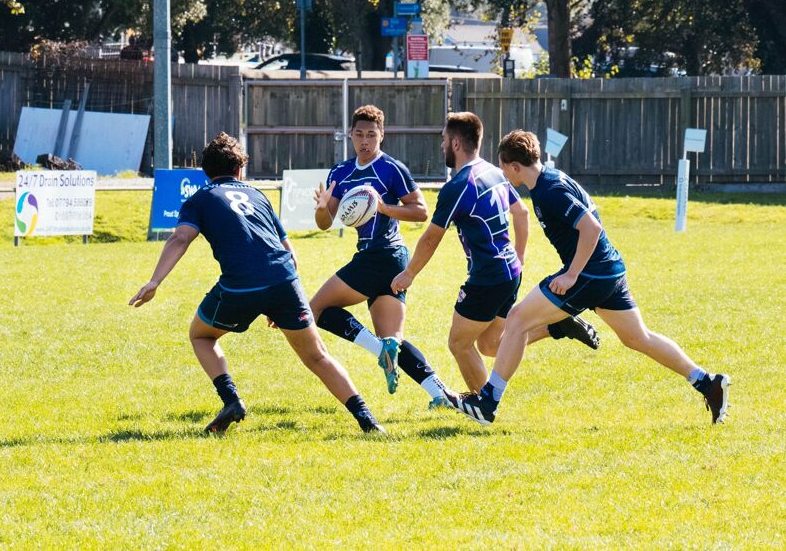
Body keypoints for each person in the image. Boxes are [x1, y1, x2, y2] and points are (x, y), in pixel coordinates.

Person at [448, 129, 731, 425]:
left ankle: (488, 401)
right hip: (609, 271)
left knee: (517, 319)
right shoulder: (551, 180)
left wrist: (572, 274)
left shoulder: (550, 190)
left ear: (515, 166)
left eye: (504, 167)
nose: (504, 174)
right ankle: (707, 382)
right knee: (637, 337)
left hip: (589, 274)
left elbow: (591, 228)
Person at [130, 132, 385, 434]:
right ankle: (368, 422)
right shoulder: (258, 195)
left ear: (205, 171)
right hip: (284, 280)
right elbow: (291, 254)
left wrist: (155, 281)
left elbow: (180, 238)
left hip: (240, 286)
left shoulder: (199, 199)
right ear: (240, 169)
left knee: (201, 335)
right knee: (317, 357)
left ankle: (231, 400)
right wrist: (281, 301)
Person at [390, 113, 600, 393]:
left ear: (455, 143)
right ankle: (558, 327)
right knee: (489, 345)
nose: (441, 145)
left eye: (443, 139)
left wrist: (409, 273)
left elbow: (430, 239)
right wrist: (519, 257)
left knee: (459, 343)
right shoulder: (494, 172)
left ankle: (484, 403)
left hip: (487, 277)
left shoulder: (458, 186)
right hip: (510, 272)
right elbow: (521, 213)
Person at [311, 104, 455, 408]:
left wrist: (384, 208)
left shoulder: (391, 168)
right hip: (382, 259)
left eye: (371, 135)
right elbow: (325, 223)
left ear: (382, 135)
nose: (365, 141)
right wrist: (322, 209)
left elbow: (421, 211)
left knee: (317, 309)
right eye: (359, 134)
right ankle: (440, 394)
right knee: (394, 340)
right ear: (350, 135)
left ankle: (379, 350)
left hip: (384, 255)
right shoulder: (341, 172)